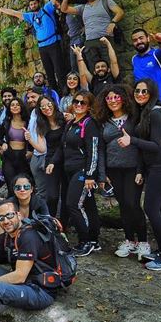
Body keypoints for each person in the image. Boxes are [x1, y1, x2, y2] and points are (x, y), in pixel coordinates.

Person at [119, 79, 161, 270]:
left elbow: (155, 145)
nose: (140, 94)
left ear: (152, 93)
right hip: (154, 166)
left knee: (151, 209)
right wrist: (141, 170)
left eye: (145, 91)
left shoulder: (157, 113)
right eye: (137, 91)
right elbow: (146, 149)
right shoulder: (144, 113)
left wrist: (132, 140)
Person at [0, 0, 73, 91]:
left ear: (39, 3)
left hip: (54, 43)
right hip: (42, 47)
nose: (33, 5)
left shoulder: (47, 9)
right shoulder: (30, 16)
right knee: (49, 74)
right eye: (31, 4)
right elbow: (13, 12)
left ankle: (65, 94)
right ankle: (54, 95)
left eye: (35, 3)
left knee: (59, 70)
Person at [94, 84, 149, 260]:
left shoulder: (135, 118)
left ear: (123, 98)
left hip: (133, 168)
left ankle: (143, 242)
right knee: (123, 206)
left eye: (116, 97)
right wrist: (102, 174)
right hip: (114, 169)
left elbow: (141, 147)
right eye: (109, 98)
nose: (112, 101)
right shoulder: (104, 122)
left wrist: (141, 170)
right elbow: (100, 150)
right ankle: (128, 240)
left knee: (133, 203)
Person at [46, 90, 103, 257]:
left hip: (82, 171)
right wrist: (52, 163)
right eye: (76, 102)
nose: (78, 105)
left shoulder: (89, 124)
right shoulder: (71, 123)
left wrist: (90, 175)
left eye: (83, 103)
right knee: (88, 206)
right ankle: (94, 240)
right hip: (69, 170)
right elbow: (62, 148)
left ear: (89, 106)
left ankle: (86, 241)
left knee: (73, 204)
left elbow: (93, 150)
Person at [61, 0, 124, 67]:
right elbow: (64, 9)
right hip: (90, 42)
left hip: (105, 39)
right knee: (94, 68)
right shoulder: (82, 7)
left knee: (111, 65)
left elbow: (120, 12)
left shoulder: (106, 1)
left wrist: (113, 22)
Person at [131, 29, 161, 119]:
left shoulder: (155, 54)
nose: (138, 42)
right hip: (143, 101)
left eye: (141, 38)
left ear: (148, 38)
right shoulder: (134, 59)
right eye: (135, 40)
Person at [35, 96, 65, 217]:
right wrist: (31, 140)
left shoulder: (64, 118)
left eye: (48, 104)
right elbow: (42, 148)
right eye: (42, 107)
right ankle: (51, 222)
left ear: (53, 103)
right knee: (52, 196)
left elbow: (64, 143)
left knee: (66, 196)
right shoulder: (41, 124)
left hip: (66, 158)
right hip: (51, 161)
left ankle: (63, 224)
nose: (46, 108)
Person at [0, 98, 30, 196]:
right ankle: (11, 208)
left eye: (17, 104)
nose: (15, 107)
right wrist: (3, 143)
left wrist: (30, 151)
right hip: (9, 156)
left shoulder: (28, 122)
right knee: (11, 185)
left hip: (23, 157)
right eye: (12, 105)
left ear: (21, 106)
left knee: (23, 185)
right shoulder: (7, 122)